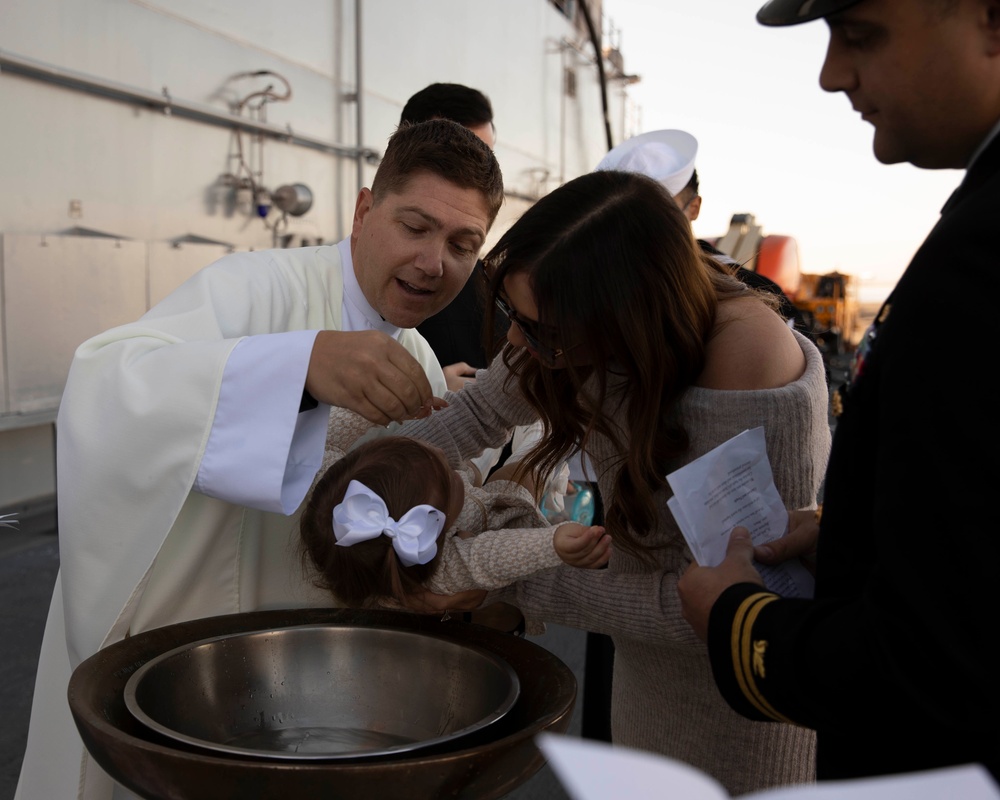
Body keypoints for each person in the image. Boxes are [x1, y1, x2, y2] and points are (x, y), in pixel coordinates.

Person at [15, 118, 504, 800]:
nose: (433, 262)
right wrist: (297, 367)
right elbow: (108, 380)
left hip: (325, 680)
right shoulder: (259, 287)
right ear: (365, 210)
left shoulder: (418, 357)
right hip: (196, 664)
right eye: (415, 227)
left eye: (462, 244)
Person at [399, 169, 832, 795]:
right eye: (508, 315)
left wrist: (498, 574)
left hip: (741, 721)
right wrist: (365, 477)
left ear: (627, 316)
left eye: (540, 330)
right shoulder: (563, 317)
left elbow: (716, 603)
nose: (518, 342)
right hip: (645, 683)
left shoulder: (745, 356)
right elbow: (479, 414)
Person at [677, 0, 1000, 784]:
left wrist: (735, 620)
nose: (831, 76)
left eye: (860, 35)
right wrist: (859, 538)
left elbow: (931, 672)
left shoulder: (980, 263)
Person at [300, 434, 610, 609]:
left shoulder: (332, 493)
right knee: (528, 463)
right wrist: (552, 543)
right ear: (439, 522)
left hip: (466, 495)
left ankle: (502, 438)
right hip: (499, 508)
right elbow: (492, 556)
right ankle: (546, 430)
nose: (441, 454)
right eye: (448, 471)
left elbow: (312, 439)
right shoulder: (447, 570)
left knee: (476, 460)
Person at [595, 128, 811, 336]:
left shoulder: (754, 292)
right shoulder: (589, 281)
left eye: (660, 210)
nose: (643, 225)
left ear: (694, 208)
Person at [404, 82, 508, 392]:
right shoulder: (333, 284)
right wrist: (432, 388)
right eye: (467, 154)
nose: (483, 173)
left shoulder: (489, 285)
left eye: (488, 156)